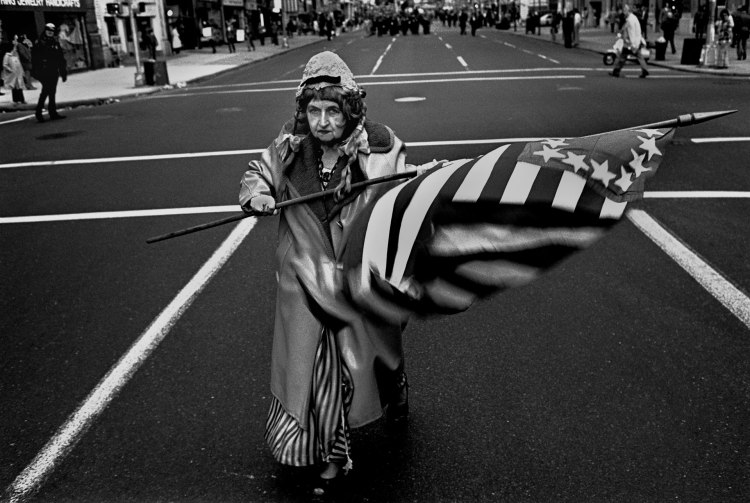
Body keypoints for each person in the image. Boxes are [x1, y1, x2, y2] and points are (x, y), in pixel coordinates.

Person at [239, 51, 429, 497]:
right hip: (305, 284)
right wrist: (257, 195)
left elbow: (401, 196)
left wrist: (390, 178)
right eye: (314, 111)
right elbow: (256, 174)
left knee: (375, 355)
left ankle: (395, 387)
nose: (323, 121)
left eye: (333, 110)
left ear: (351, 109)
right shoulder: (290, 146)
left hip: (357, 281)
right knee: (322, 372)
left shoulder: (379, 145)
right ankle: (332, 456)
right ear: (303, 112)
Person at [32, 23, 68, 122]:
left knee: (52, 92)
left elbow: (60, 58)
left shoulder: (55, 42)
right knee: (46, 91)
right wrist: (36, 72)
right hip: (44, 71)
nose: (50, 33)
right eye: (48, 31)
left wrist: (63, 72)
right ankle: (39, 112)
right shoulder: (40, 42)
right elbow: (35, 58)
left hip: (53, 70)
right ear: (45, 31)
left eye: (52, 31)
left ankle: (52, 112)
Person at [610, 4, 649, 78]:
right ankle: (645, 70)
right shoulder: (634, 18)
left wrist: (630, 42)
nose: (624, 13)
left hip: (630, 43)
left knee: (622, 57)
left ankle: (616, 71)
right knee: (639, 56)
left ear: (628, 11)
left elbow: (629, 32)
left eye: (625, 11)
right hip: (636, 41)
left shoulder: (630, 20)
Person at [2, 36, 26, 105]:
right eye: (14, 48)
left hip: (18, 74)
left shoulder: (15, 56)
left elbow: (19, 65)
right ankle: (16, 100)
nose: (15, 49)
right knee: (14, 88)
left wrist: (22, 72)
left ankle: (22, 100)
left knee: (20, 88)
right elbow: (5, 65)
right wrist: (10, 70)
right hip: (13, 75)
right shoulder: (7, 56)